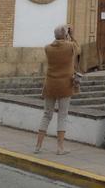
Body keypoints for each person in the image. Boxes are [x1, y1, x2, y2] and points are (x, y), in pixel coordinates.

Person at [34, 24, 79, 156]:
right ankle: (60, 148)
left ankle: (38, 145)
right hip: (65, 85)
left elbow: (57, 43)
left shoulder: (47, 48)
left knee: (47, 114)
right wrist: (72, 36)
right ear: (65, 35)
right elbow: (78, 50)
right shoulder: (70, 46)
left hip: (50, 84)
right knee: (62, 116)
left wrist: (64, 36)